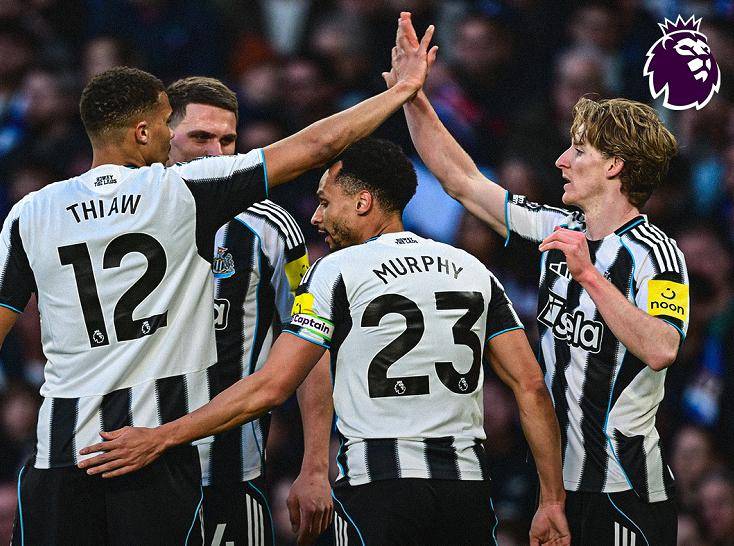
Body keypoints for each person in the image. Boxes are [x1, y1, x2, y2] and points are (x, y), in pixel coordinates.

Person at [0, 19, 436, 544]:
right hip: (156, 458)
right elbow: (318, 144)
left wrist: (314, 462)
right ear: (146, 132)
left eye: (226, 139)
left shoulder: (30, 212)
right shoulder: (183, 192)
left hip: (61, 455)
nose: (209, 148)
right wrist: (401, 92)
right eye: (173, 127)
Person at [77, 137, 570, 546]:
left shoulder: (336, 271)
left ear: (362, 202)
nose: (315, 217)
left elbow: (271, 386)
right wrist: (551, 500)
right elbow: (531, 387)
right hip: (466, 492)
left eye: (325, 201)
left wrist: (163, 436)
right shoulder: (472, 269)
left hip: (380, 490)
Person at [386, 11, 687, 545]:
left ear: (615, 166)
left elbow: (662, 348)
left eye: (579, 150)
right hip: (555, 484)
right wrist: (412, 95)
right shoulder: (555, 226)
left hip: (626, 489)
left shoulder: (656, 255)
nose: (562, 160)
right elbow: (462, 181)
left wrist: (589, 276)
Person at [166, 76, 333, 546]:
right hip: (135, 464)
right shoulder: (123, 216)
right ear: (163, 134)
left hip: (230, 470)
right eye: (201, 137)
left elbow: (311, 348)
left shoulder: (272, 228)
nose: (217, 153)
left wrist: (315, 465)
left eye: (228, 141)